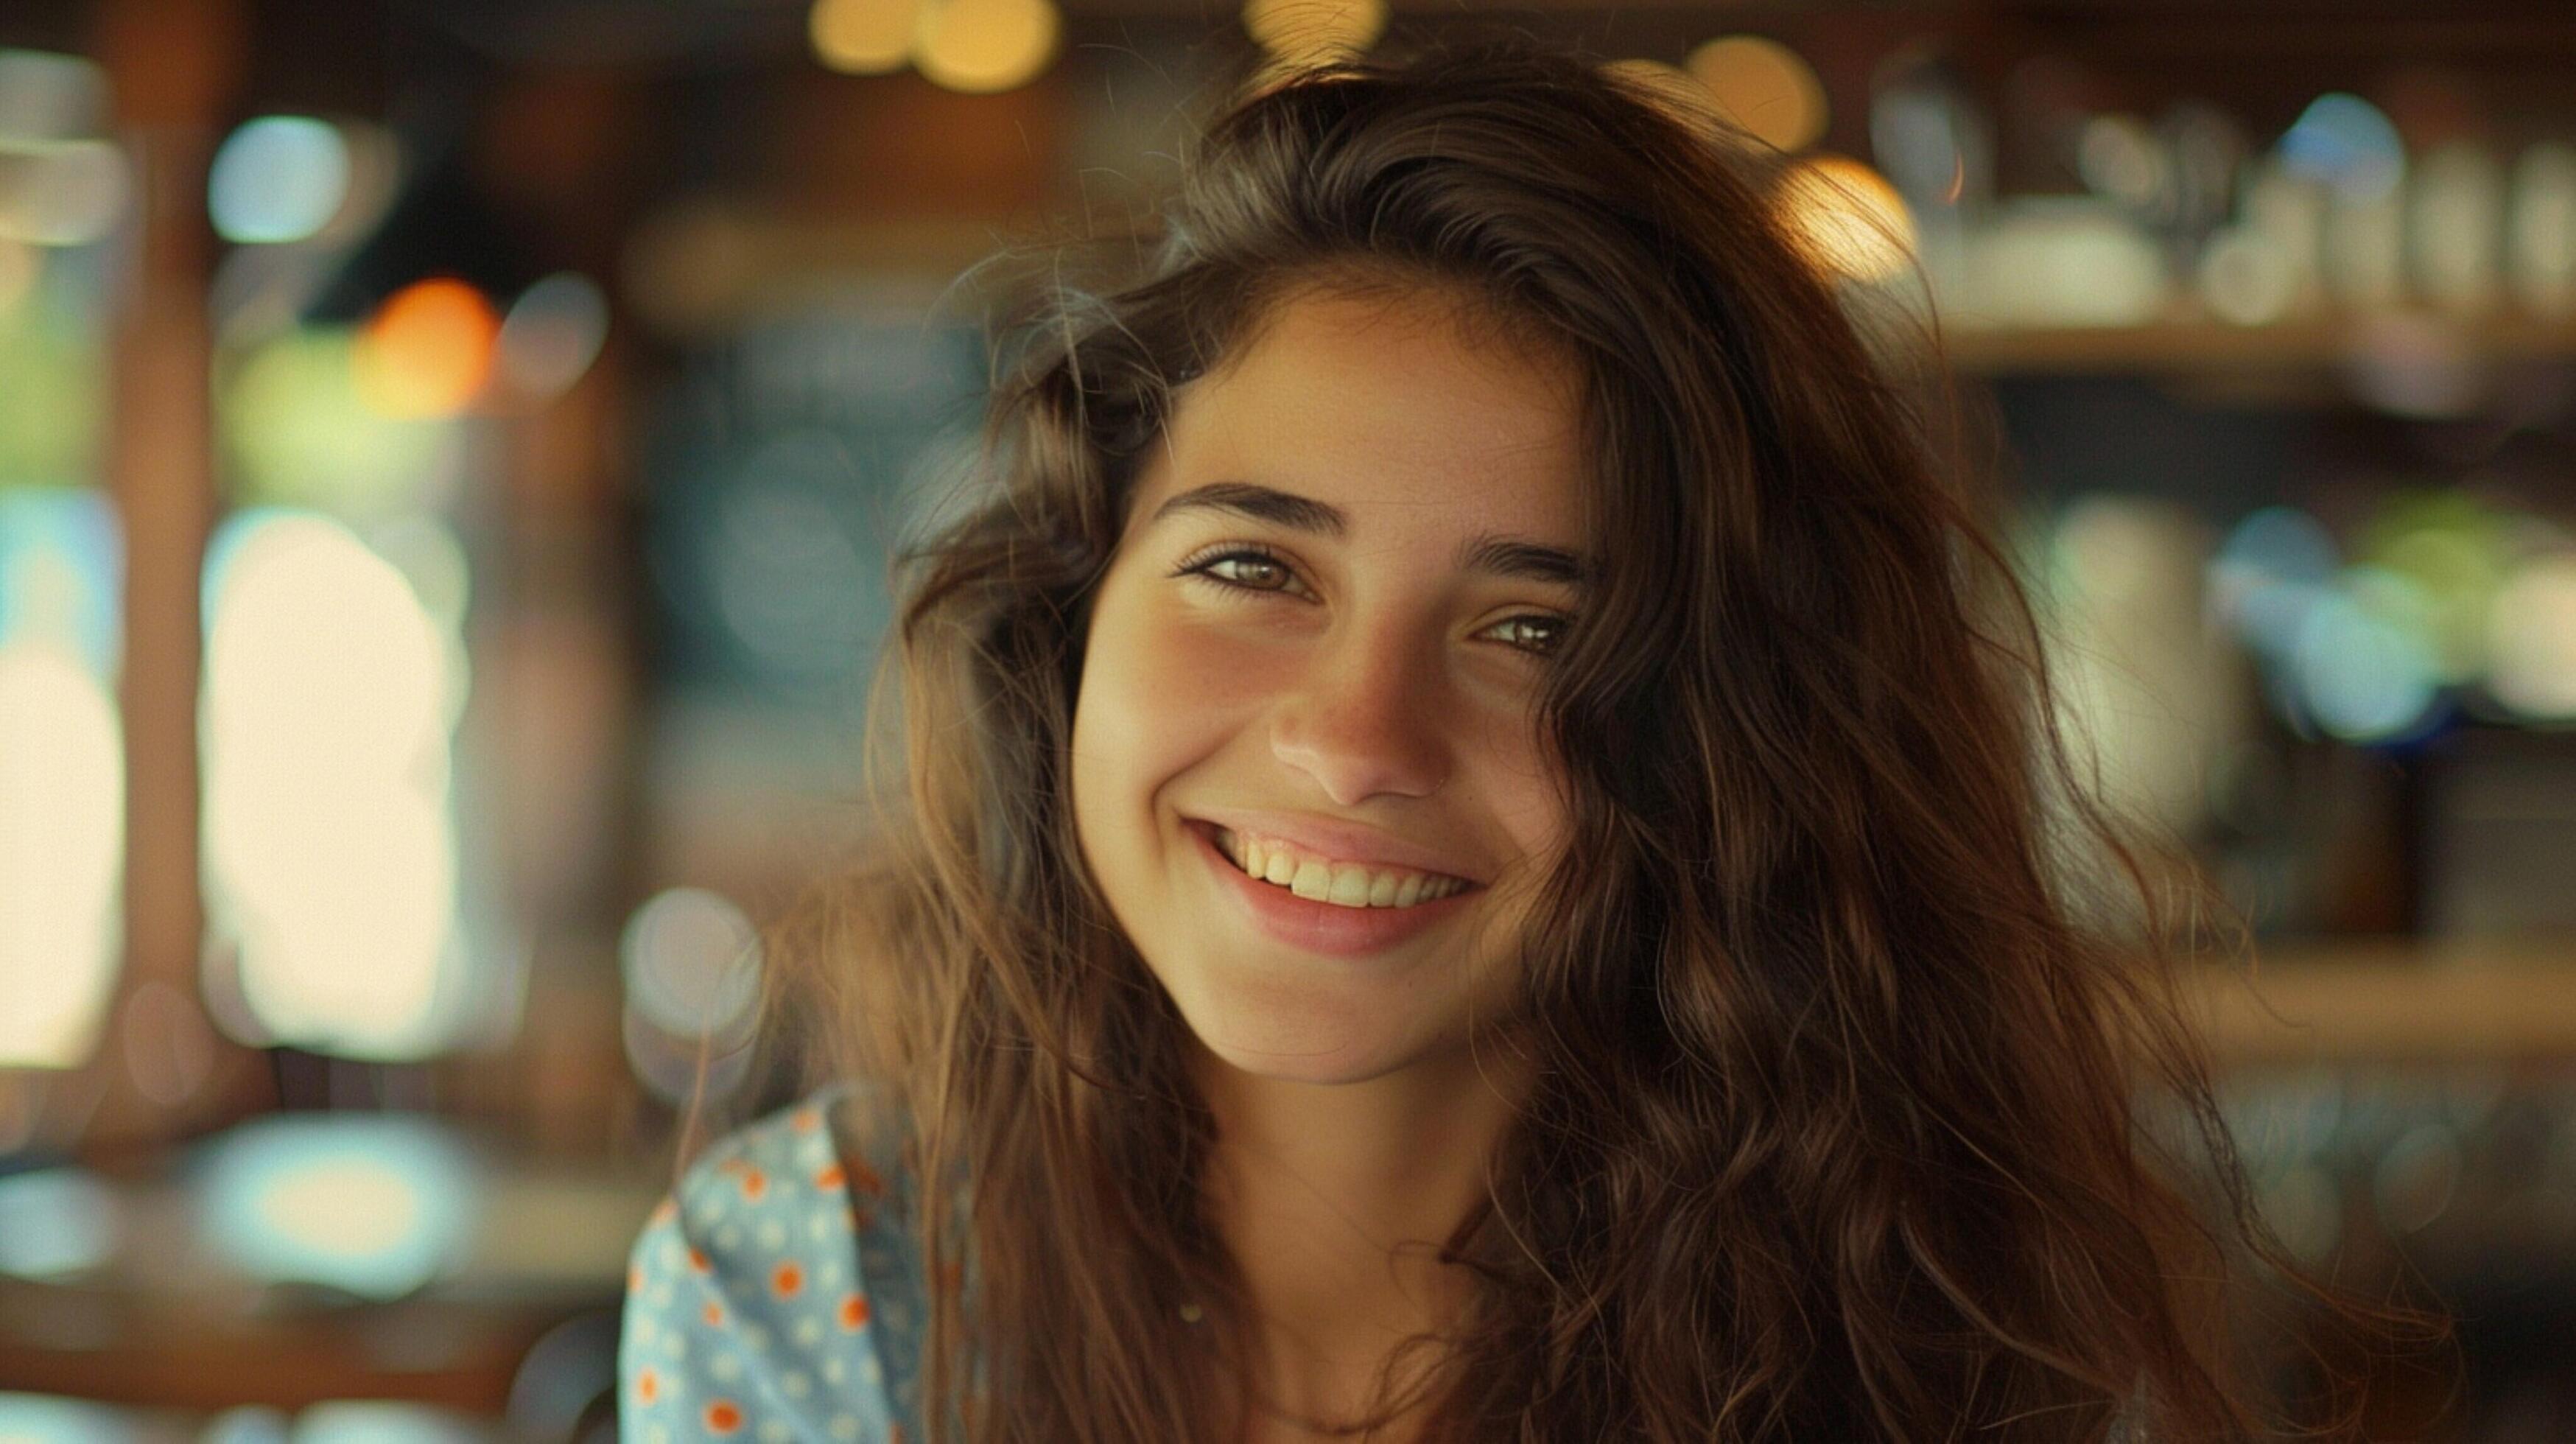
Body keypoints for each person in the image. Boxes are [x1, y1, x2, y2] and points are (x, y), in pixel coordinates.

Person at [618, 29, 2440, 1444]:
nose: (1353, 741)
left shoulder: (1964, 1355)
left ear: (1730, 738)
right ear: (1071, 607)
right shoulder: (820, 1285)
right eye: (1255, 563)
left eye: (1529, 630)